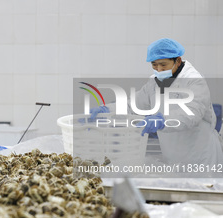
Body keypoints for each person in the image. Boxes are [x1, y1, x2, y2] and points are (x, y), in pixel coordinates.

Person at [91, 38, 223, 165]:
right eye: (154, 65)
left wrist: (163, 120)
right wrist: (108, 109)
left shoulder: (194, 80)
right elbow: (134, 105)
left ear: (178, 61)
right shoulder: (154, 82)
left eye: (163, 65)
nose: (159, 70)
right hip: (172, 156)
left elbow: (192, 113)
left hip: (201, 156)